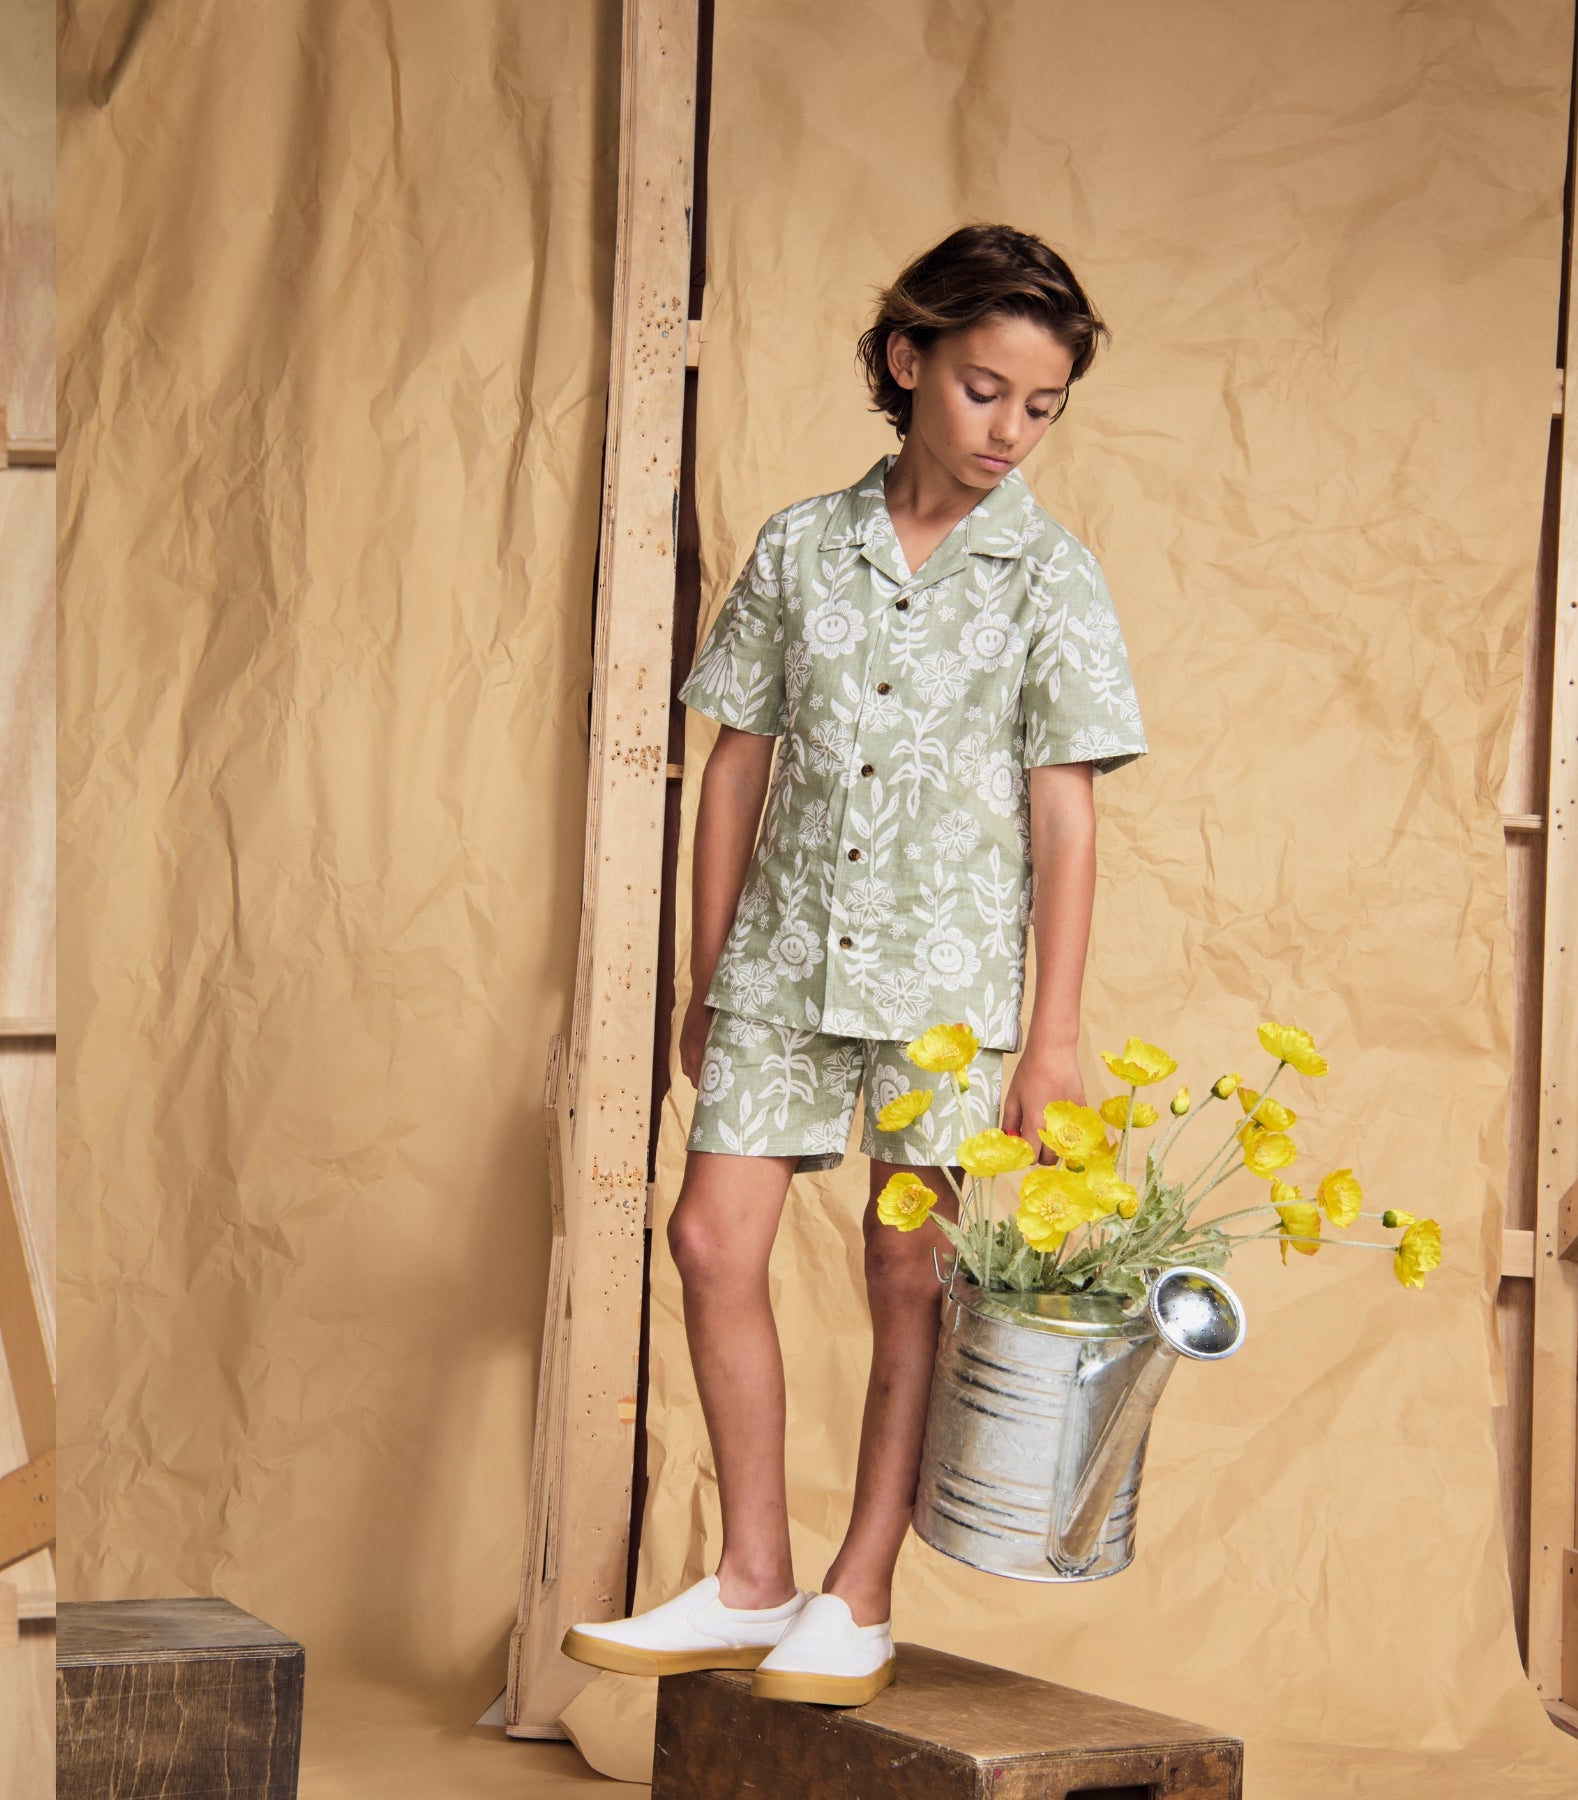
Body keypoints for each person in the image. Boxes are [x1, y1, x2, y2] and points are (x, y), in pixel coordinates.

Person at [563, 225, 1144, 1706]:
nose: (1011, 431)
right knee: (710, 1243)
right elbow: (736, 767)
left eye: (1041, 406)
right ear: (908, 362)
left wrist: (1051, 1039)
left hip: (946, 997)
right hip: (776, 967)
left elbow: (1064, 820)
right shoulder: (796, 548)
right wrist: (710, 971)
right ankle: (751, 1574)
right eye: (984, 389)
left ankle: (858, 1591)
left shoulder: (1051, 581)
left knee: (907, 1273)